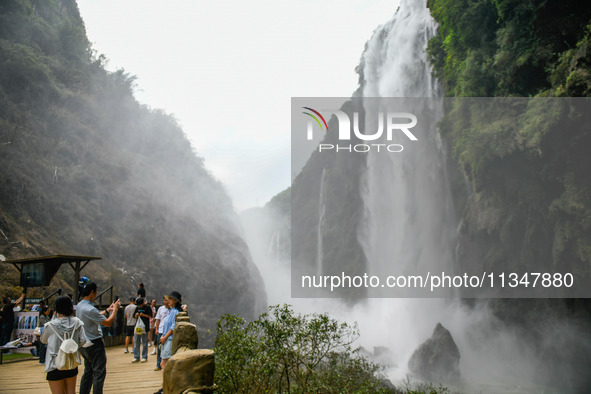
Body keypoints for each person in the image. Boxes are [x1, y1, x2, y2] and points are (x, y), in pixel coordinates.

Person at [76, 282, 120, 394]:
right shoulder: (90, 309)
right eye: (96, 291)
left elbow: (93, 316)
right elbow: (108, 323)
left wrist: (107, 310)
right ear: (92, 292)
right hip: (95, 345)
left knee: (88, 372)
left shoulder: (80, 306)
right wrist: (115, 310)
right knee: (99, 374)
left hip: (83, 344)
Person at [40, 295, 88, 394]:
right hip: (71, 361)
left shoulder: (50, 325)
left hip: (54, 363)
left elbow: (43, 340)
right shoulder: (78, 323)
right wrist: (71, 346)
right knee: (71, 392)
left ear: (56, 308)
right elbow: (83, 340)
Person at [159, 291, 182, 370]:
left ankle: (166, 382)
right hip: (166, 339)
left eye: (170, 299)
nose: (168, 301)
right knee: (163, 363)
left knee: (165, 364)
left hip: (169, 340)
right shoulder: (171, 311)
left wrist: (165, 337)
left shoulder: (175, 312)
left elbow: (173, 326)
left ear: (176, 300)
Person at [132, 297, 152, 363]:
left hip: (145, 326)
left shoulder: (147, 307)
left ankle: (144, 356)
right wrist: (136, 315)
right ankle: (136, 356)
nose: (140, 306)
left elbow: (150, 316)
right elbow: (134, 316)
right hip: (138, 327)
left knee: (144, 342)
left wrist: (143, 315)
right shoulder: (137, 308)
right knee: (136, 342)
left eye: (140, 304)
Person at [153, 296, 169, 370]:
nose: (165, 302)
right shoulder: (160, 309)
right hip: (161, 330)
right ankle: (158, 364)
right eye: (164, 300)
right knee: (159, 347)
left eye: (167, 300)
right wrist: (156, 329)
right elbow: (158, 319)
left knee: (167, 348)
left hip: (168, 331)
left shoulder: (172, 309)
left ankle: (166, 364)